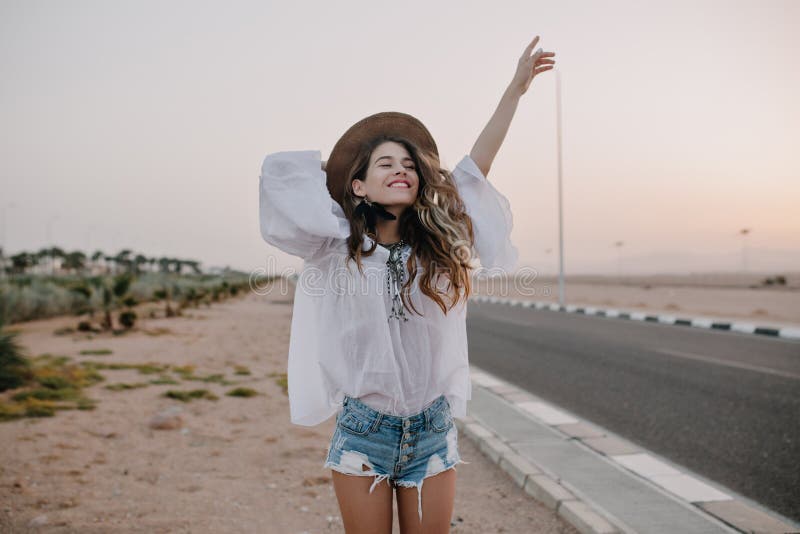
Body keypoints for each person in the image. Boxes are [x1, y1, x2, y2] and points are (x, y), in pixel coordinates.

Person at [259, 35, 555, 534]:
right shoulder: (335, 248)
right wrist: (340, 180)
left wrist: (515, 90)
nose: (401, 170)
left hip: (431, 432)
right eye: (385, 164)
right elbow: (281, 175)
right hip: (363, 434)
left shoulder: (438, 244)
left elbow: (476, 166)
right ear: (358, 185)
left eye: (409, 164)